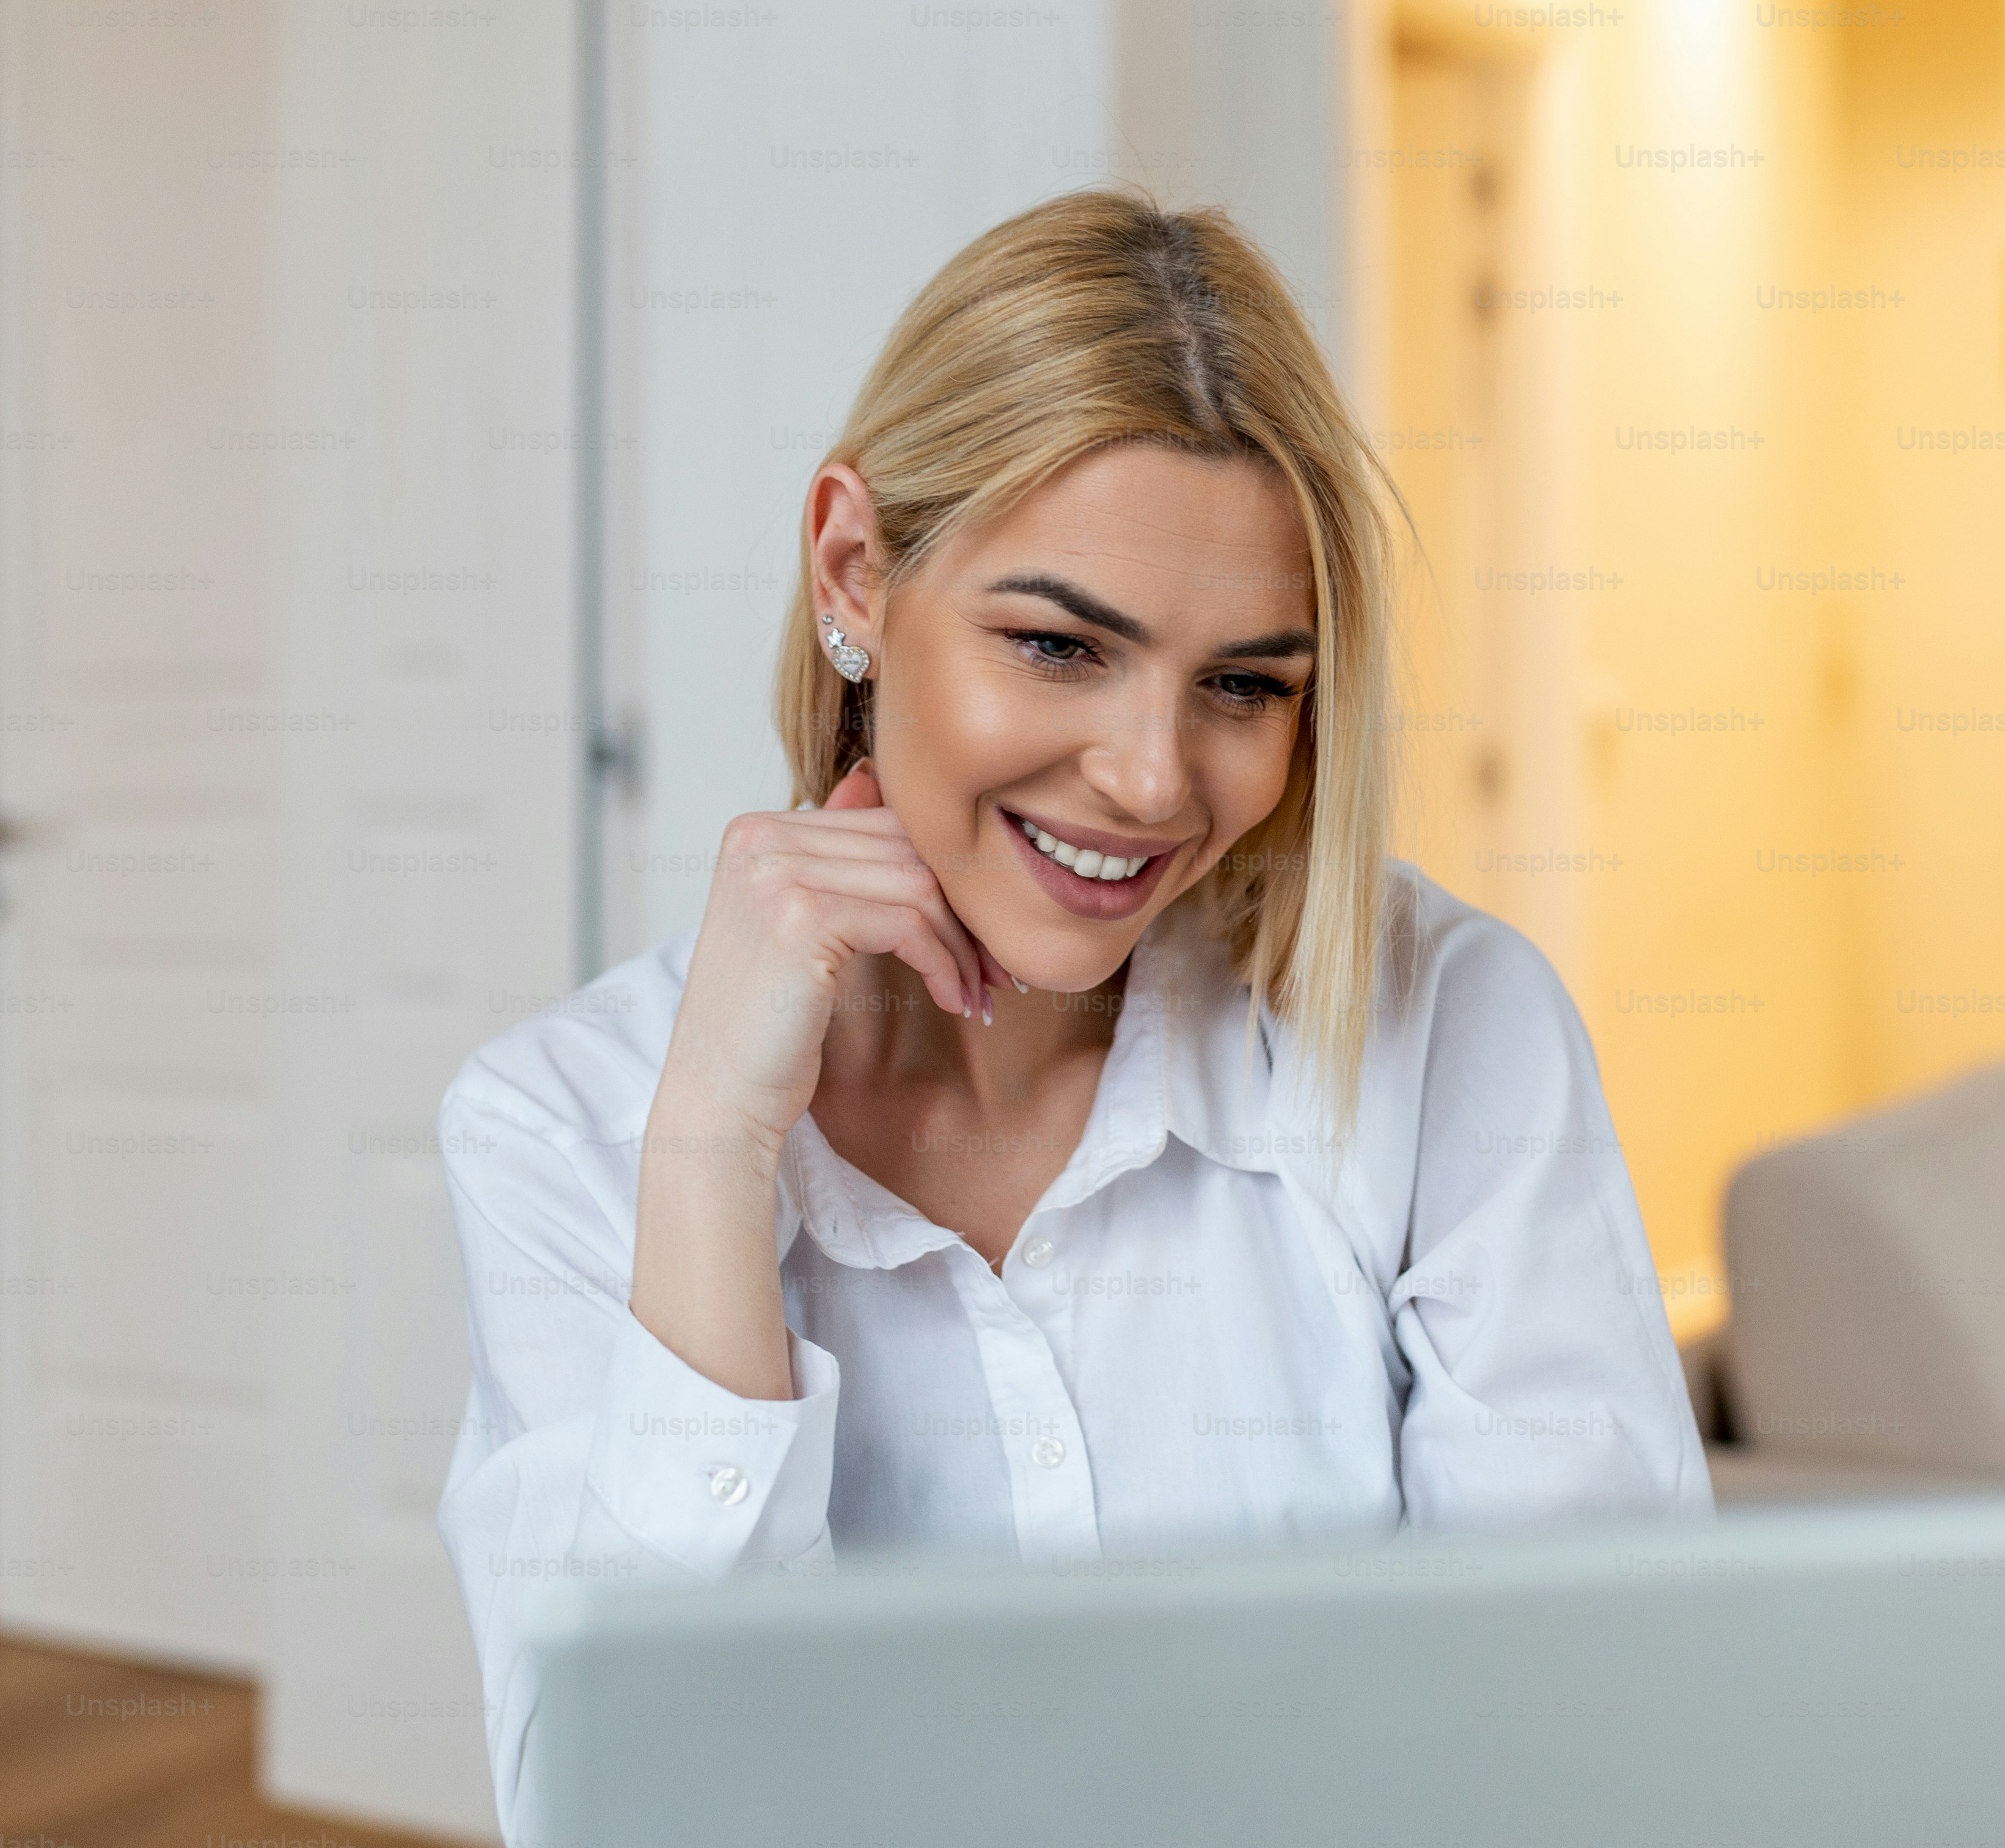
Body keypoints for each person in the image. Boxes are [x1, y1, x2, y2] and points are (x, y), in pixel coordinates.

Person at [433, 189, 1710, 1835]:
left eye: (1245, 685)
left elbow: (1588, 1740)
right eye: (1055, 647)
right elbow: (637, 1814)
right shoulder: (564, 1129)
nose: (1153, 778)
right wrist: (707, 1161)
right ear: (851, 571)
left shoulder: (1450, 1032)